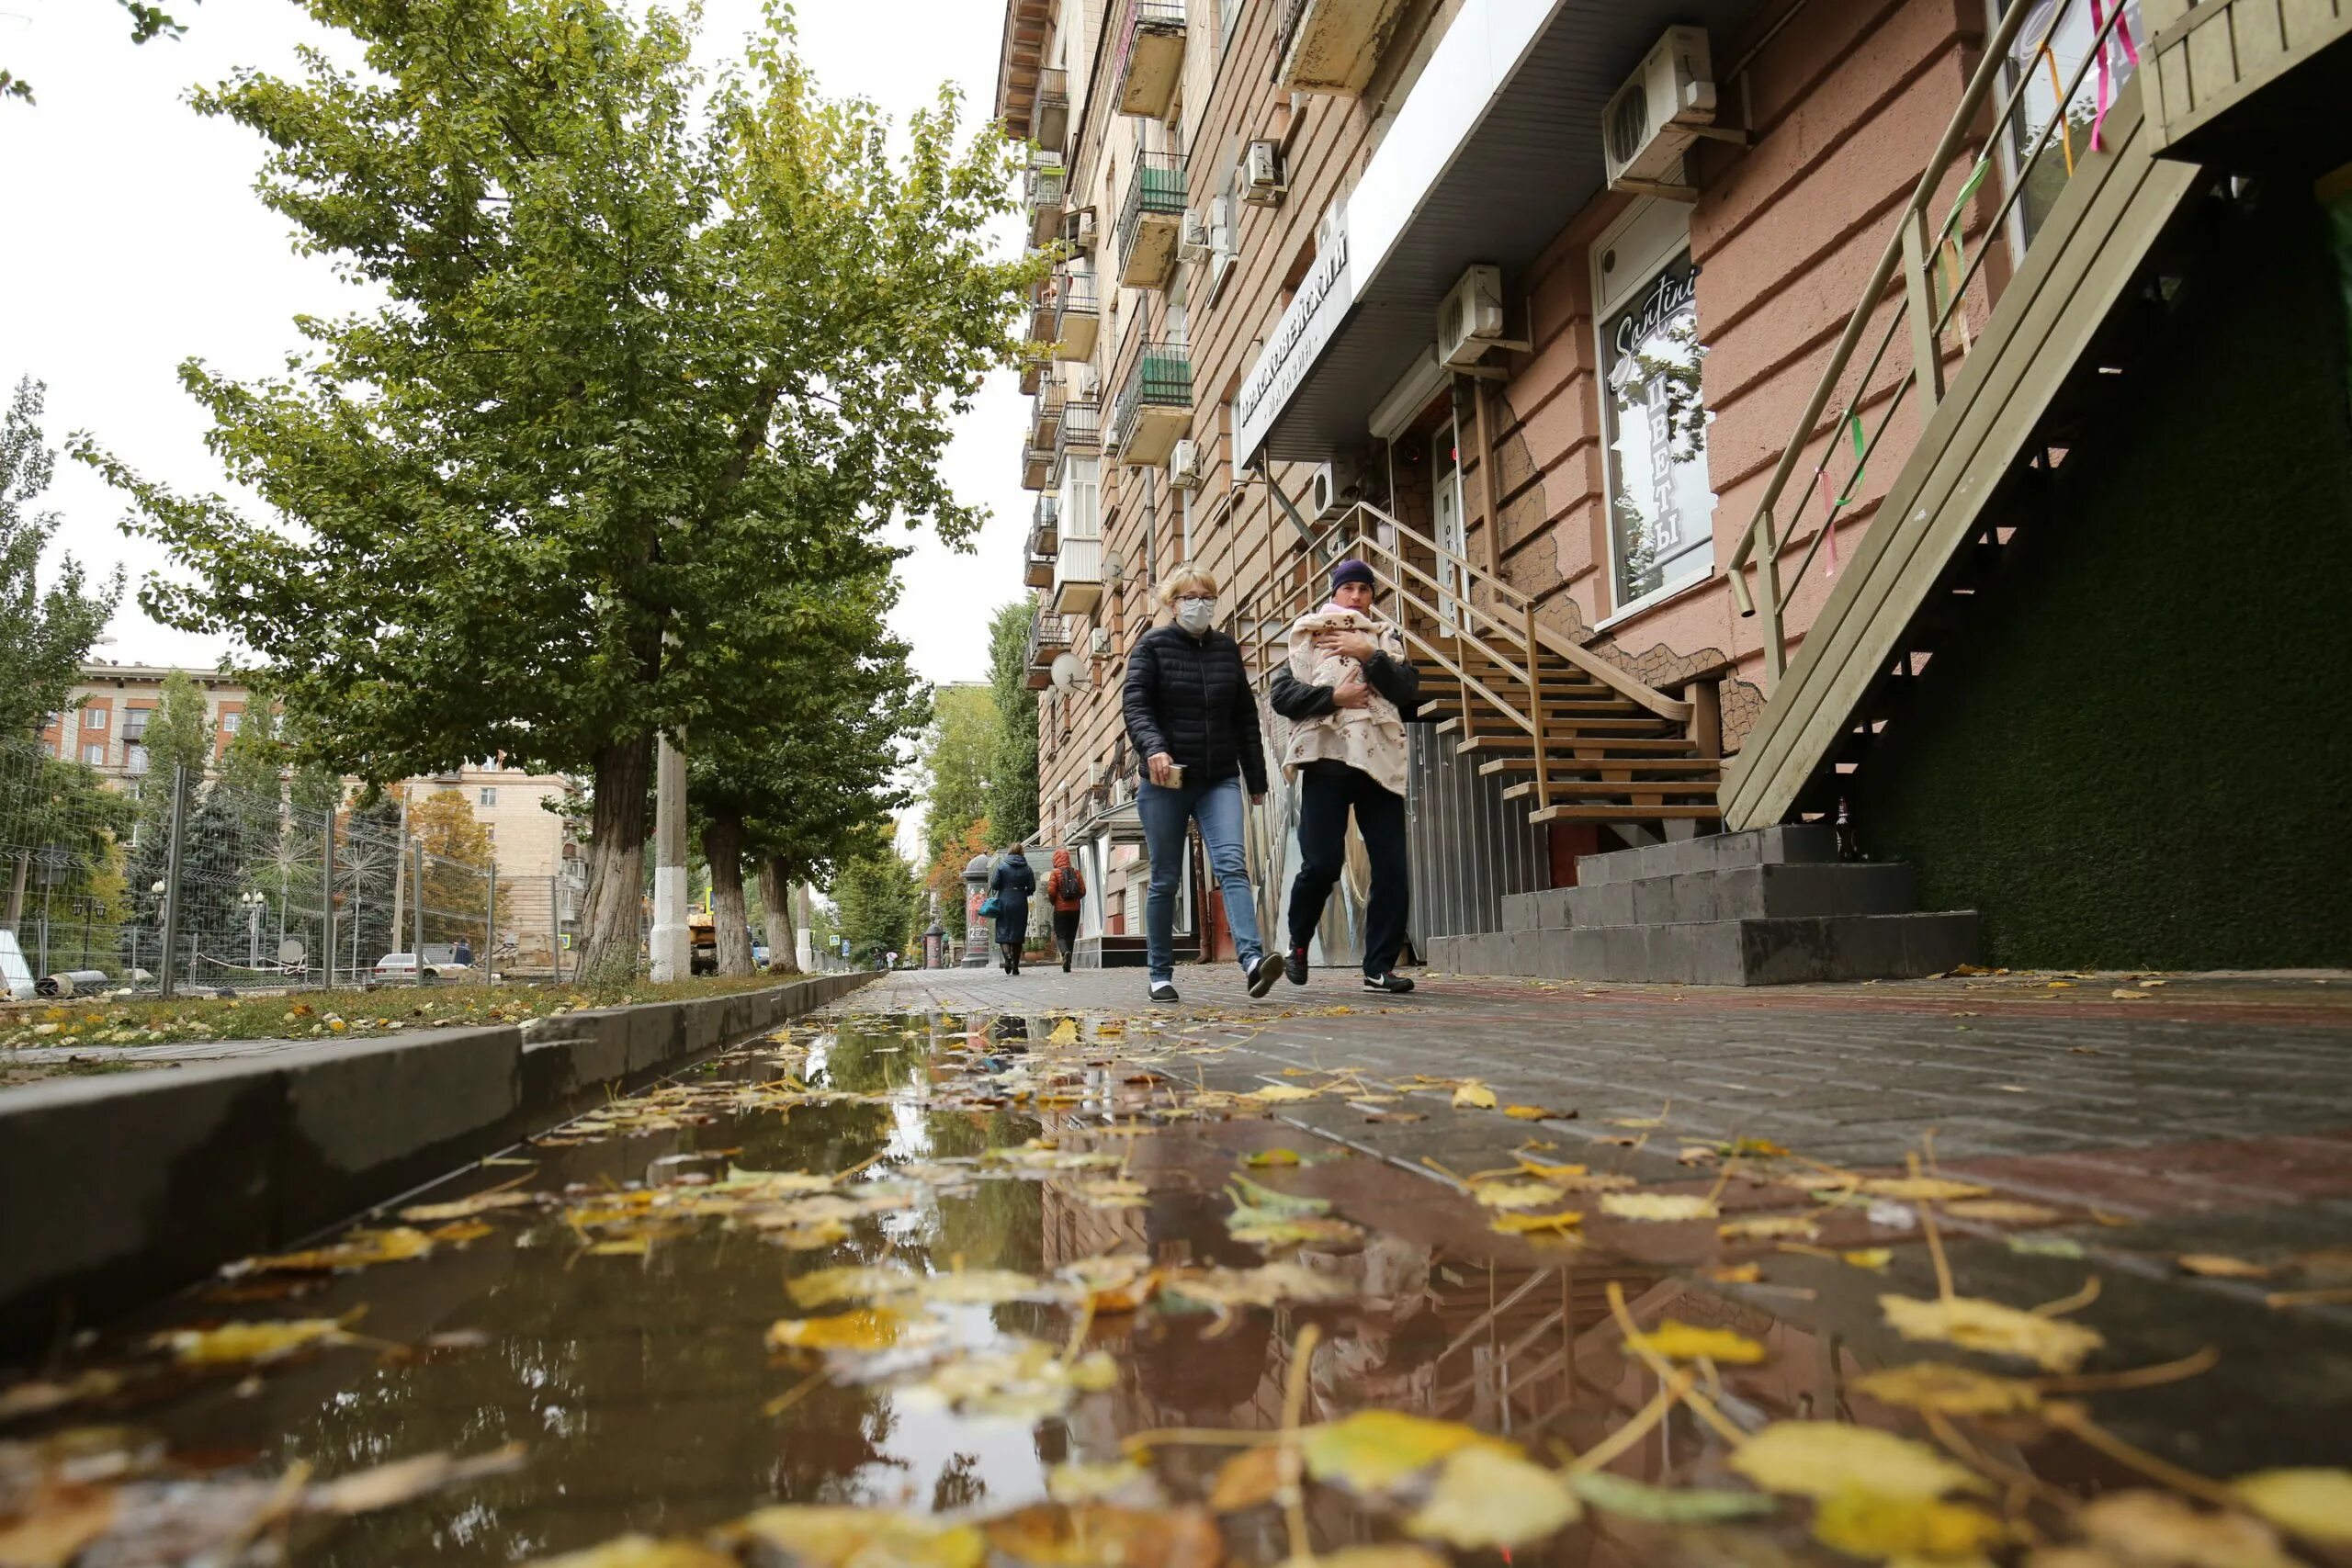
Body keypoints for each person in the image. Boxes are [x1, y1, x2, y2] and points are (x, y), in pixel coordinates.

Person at [1122, 567, 1286, 1004]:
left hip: (1218, 778)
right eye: (1190, 596)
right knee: (1164, 878)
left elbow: (1245, 717)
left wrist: (1256, 776)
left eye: (1207, 596)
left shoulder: (1226, 649)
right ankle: (1159, 973)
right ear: (1172, 604)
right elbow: (1136, 704)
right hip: (1166, 779)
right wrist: (1153, 748)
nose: (1200, 603)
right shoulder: (1152, 646)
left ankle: (1251, 961)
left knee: (1233, 863)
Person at [1269, 558, 1422, 995]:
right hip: (1328, 761)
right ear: (1333, 593)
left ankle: (1379, 967)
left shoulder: (1385, 639)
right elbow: (1283, 695)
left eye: (1364, 590)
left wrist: (1369, 656)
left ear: (1372, 597)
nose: (1355, 597)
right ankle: (1298, 942)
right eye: (1348, 588)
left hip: (1379, 767)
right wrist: (1333, 696)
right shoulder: (1309, 636)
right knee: (1321, 864)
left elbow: (1408, 693)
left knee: (1391, 867)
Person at [989, 845, 1035, 975]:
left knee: (1003, 932)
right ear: (1022, 852)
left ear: (1009, 852)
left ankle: (1007, 957)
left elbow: (995, 884)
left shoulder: (1002, 866)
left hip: (1004, 901)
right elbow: (1032, 887)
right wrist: (1022, 893)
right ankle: (1015, 965)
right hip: (1020, 902)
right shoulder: (1027, 868)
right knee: (1018, 934)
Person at [1045, 848, 1086, 973]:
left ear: (1056, 860)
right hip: (1075, 909)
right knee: (1070, 935)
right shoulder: (1076, 873)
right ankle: (1069, 962)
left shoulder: (1055, 873)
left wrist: (1054, 901)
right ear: (1068, 859)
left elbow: (1051, 891)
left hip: (1060, 910)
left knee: (1061, 935)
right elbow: (1083, 891)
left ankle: (1065, 953)